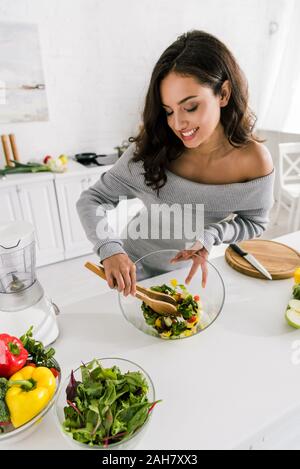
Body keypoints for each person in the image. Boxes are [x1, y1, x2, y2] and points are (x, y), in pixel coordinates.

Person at [77, 30, 274, 297]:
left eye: (190, 107)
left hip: (188, 277)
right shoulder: (150, 149)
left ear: (223, 94)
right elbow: (92, 199)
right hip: (132, 273)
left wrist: (212, 235)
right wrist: (109, 249)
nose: (178, 124)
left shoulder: (254, 161)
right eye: (168, 111)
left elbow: (255, 222)